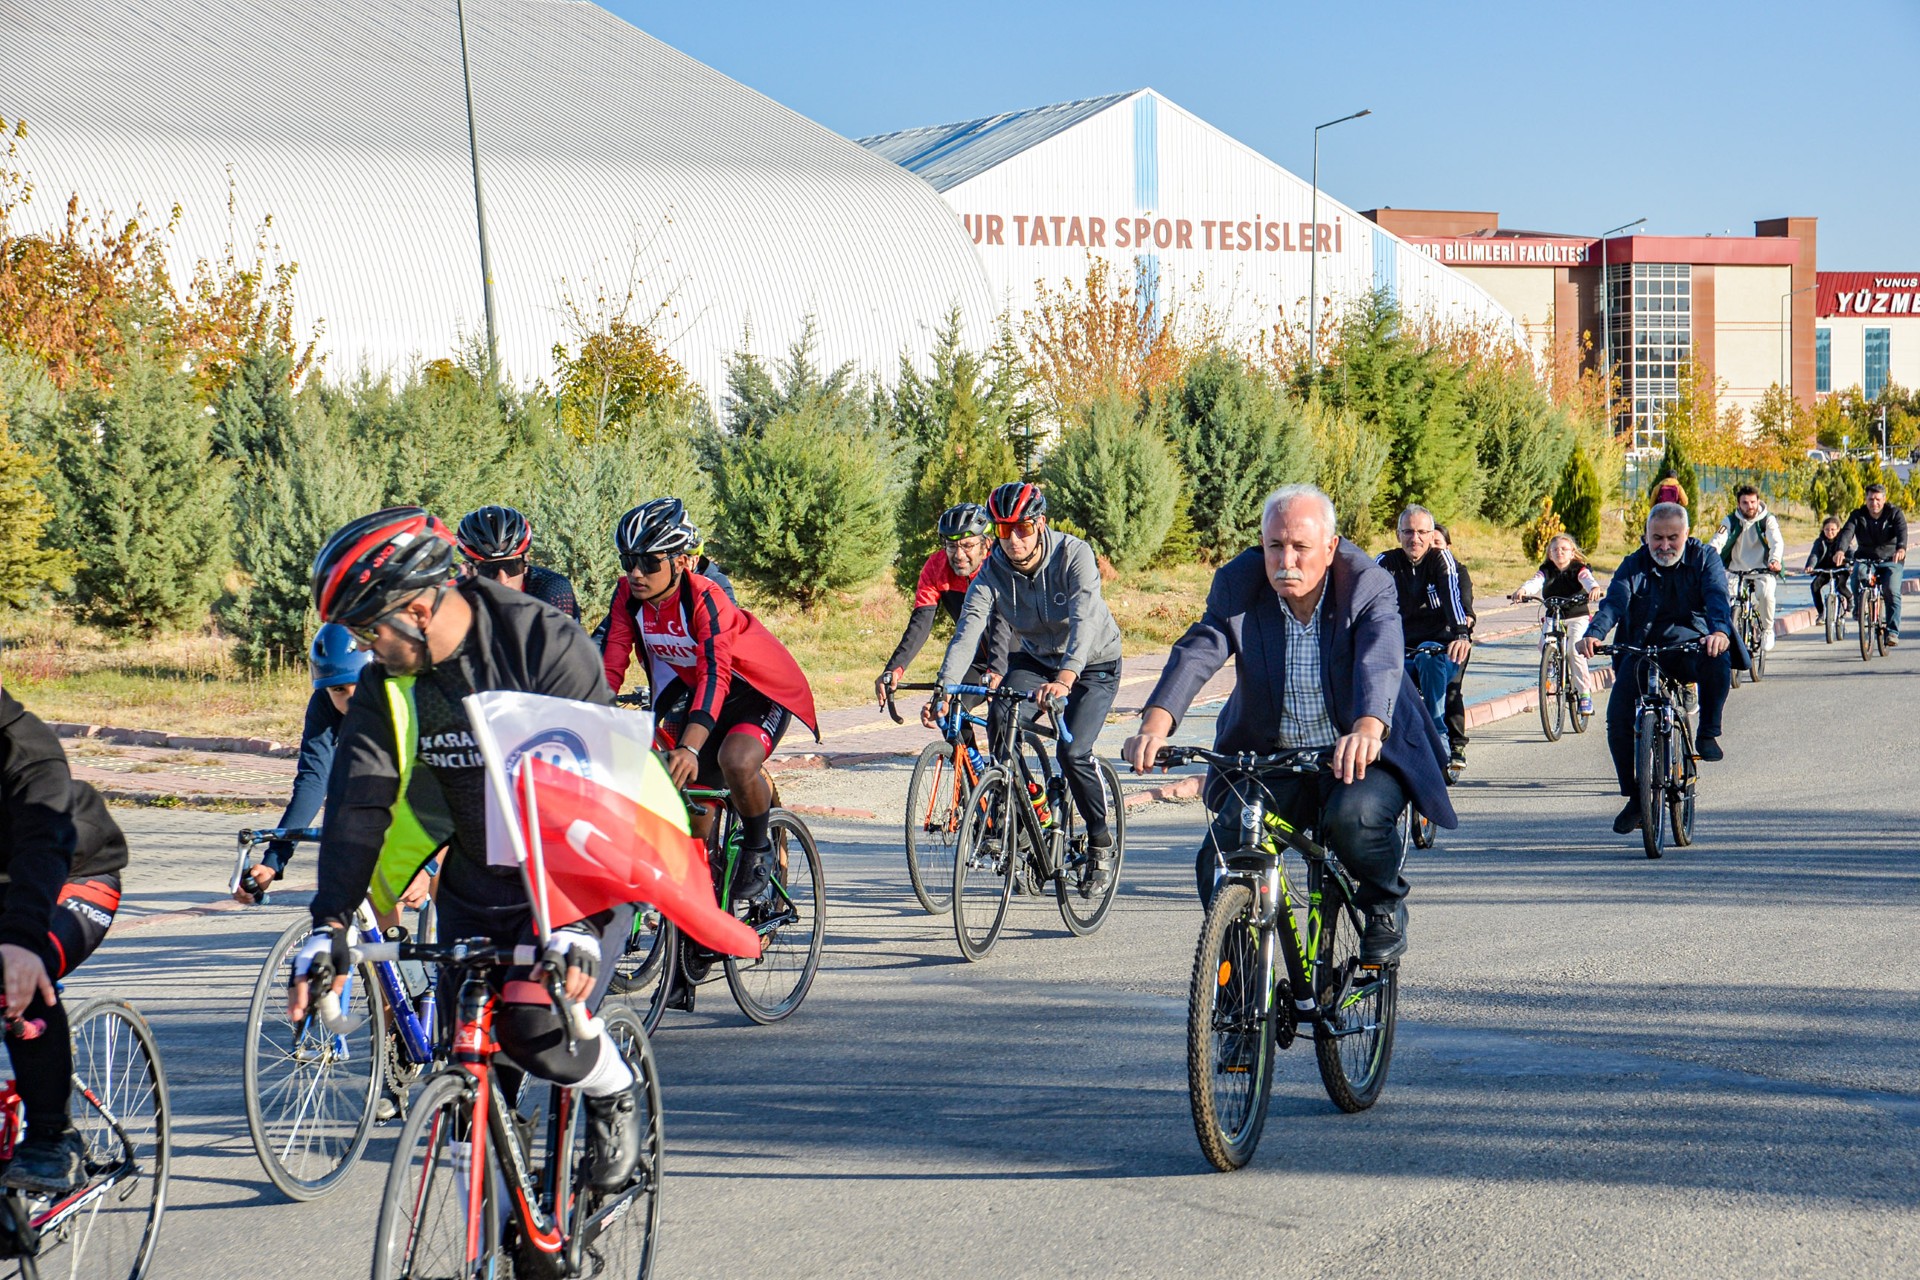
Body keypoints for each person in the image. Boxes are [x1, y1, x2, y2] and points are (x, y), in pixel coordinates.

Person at [288, 506, 647, 1193]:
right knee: (467, 1076)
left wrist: (572, 921)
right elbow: (360, 800)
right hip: (479, 882)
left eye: (371, 629)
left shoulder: (540, 641)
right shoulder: (384, 683)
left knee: (536, 1031)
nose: (368, 647)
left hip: (579, 873)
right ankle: (501, 1239)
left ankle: (614, 1087)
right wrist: (329, 923)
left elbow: (598, 790)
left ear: (419, 608)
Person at [1120, 485, 1455, 962]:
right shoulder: (1239, 584)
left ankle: (1383, 903)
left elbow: (1380, 659)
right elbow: (1199, 650)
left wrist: (1366, 728)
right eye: (1275, 546)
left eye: (1301, 547)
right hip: (1277, 757)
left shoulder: (1365, 583)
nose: (1286, 561)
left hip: (1361, 753)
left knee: (1352, 820)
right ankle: (1238, 991)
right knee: (1219, 855)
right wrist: (1154, 725)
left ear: (1331, 547)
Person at [600, 498, 819, 903]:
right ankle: (701, 919)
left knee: (735, 761)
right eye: (628, 559)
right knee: (695, 817)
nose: (635, 572)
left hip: (756, 692)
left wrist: (689, 745)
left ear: (681, 562)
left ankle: (758, 848)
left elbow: (715, 672)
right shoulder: (628, 597)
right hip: (703, 697)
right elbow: (611, 663)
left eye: (649, 562)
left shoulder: (706, 596)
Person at [927, 482, 1123, 896]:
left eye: (1022, 529)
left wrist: (1066, 678)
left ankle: (1101, 842)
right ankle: (1030, 804)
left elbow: (1085, 622)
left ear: (1040, 524)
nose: (1013, 540)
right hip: (1035, 661)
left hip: (1092, 663)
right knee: (1000, 720)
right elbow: (968, 630)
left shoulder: (1074, 555)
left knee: (1072, 752)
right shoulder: (993, 568)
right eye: (1002, 531)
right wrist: (944, 688)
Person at [0, 686, 130, 1194]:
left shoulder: (26, 751)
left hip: (71, 876)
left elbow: (43, 846)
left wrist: (22, 940)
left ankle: (54, 1136)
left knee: (20, 974)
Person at [233, 625, 435, 923]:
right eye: (338, 689)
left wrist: (426, 866)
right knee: (375, 895)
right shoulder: (324, 706)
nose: (350, 699)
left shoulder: (411, 698)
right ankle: (385, 963)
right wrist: (273, 862)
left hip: (444, 788)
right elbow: (313, 782)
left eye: (360, 685)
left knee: (449, 885)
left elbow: (436, 790)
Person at [1578, 503, 1739, 835]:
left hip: (1691, 644)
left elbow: (1716, 596)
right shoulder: (1633, 564)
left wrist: (1719, 632)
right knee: (1618, 719)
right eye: (1657, 538)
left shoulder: (1705, 558)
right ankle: (1637, 798)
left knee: (1718, 658)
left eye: (1672, 538)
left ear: (1686, 535)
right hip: (1642, 647)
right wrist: (1594, 634)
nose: (1664, 546)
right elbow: (1615, 603)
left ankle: (1708, 732)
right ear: (1646, 537)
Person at [873, 503, 1010, 711]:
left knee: (1001, 720)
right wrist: (895, 669)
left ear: (986, 544)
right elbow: (921, 622)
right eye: (951, 546)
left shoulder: (999, 565)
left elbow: (1002, 621)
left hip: (1013, 657)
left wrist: (998, 668)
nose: (959, 555)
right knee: (947, 711)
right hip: (975, 658)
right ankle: (959, 745)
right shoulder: (937, 568)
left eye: (968, 545)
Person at [1375, 505, 1474, 773]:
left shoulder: (1442, 560)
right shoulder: (1385, 561)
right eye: (1408, 531)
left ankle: (1439, 737)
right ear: (1398, 534)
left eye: (1421, 532)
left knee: (1429, 655)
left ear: (1431, 535)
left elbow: (1454, 598)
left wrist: (1461, 634)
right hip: (1400, 649)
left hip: (1443, 648)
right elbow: (1363, 597)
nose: (1414, 538)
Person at [1509, 533, 1605, 715]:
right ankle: (1552, 663)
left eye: (1563, 549)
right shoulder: (1546, 570)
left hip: (1577, 616)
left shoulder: (1579, 569)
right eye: (1554, 550)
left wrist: (1594, 588)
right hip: (1554, 615)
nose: (1559, 552)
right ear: (1549, 554)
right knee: (1544, 645)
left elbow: (1588, 580)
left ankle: (1584, 694)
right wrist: (1522, 590)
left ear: (1572, 553)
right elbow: (1535, 582)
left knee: (1574, 650)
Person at [455, 504, 580, 621]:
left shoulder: (552, 587)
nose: (503, 579)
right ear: (469, 571)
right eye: (488, 570)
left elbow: (560, 640)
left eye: (512, 567)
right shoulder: (457, 597)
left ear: (526, 563)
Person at [1706, 485, 1784, 652]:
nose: (1750, 506)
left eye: (1753, 502)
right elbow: (1718, 540)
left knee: (1765, 594)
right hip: (1735, 569)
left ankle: (1767, 630)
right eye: (1745, 503)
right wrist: (1709, 557)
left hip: (1762, 569)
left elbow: (1776, 541)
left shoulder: (1767, 520)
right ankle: (1729, 633)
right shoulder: (1730, 521)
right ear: (1738, 504)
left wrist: (1775, 560)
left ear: (1758, 501)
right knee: (1725, 598)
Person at [1835, 483, 1908, 645]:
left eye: (1877, 499)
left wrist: (1901, 548)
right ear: (1866, 499)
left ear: (1884, 499)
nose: (1874, 503)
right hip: (1866, 558)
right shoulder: (1857, 515)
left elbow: (1902, 532)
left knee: (1891, 590)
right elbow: (1847, 532)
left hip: (1891, 560)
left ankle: (1892, 631)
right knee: (1857, 574)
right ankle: (1859, 606)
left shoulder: (1894, 513)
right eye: (1870, 499)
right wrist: (1840, 550)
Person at [1804, 516, 1848, 620]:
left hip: (1840, 569)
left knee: (1840, 587)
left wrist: (1850, 564)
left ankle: (1850, 600)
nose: (1830, 532)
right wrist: (1810, 566)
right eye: (1827, 529)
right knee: (1814, 586)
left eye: (1833, 529)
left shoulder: (1842, 541)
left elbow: (1850, 553)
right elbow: (1814, 555)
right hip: (1825, 569)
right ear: (1823, 530)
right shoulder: (1820, 541)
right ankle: (1821, 613)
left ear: (1838, 530)